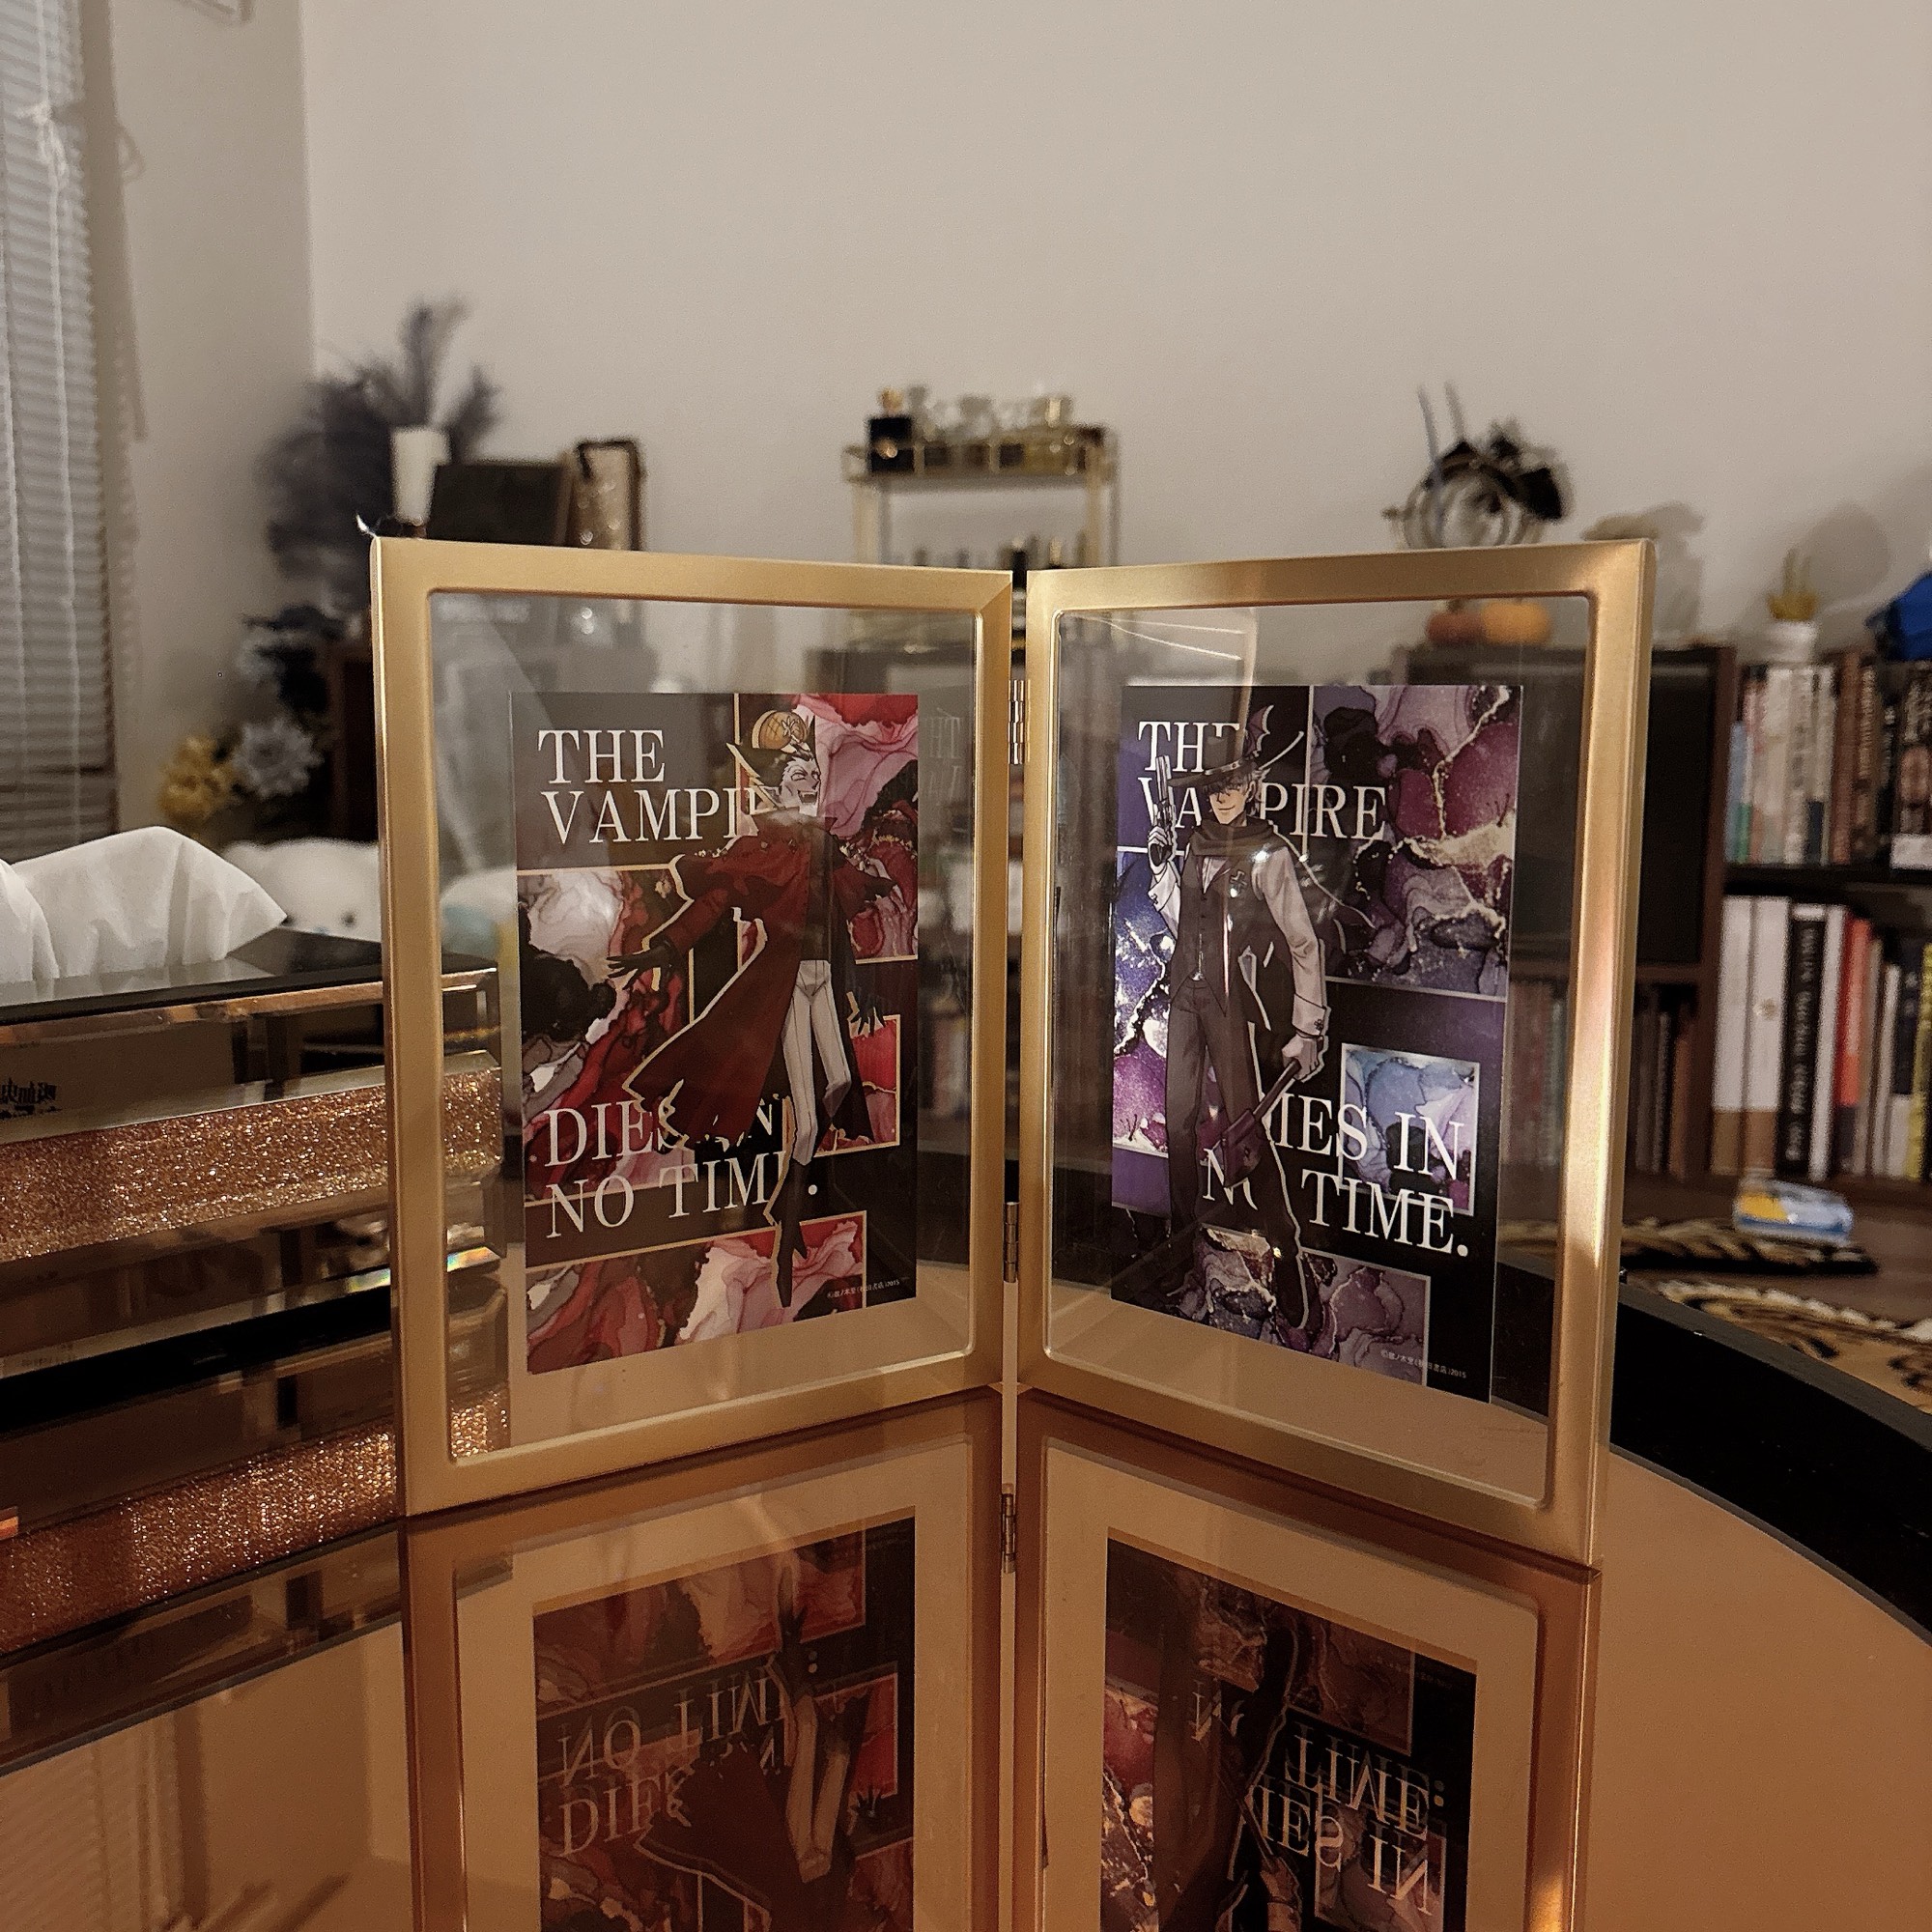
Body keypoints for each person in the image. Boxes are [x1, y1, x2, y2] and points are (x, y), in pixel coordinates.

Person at [611, 709, 898, 1305]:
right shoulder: (762, 849)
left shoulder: (824, 846)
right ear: (775, 784)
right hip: (784, 986)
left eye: (810, 765)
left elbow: (839, 922)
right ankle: (787, 1222)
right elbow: (714, 903)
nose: (809, 776)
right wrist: (665, 947)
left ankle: (792, 1189)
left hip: (824, 982)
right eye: (796, 770)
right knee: (809, 1120)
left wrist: (861, 985)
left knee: (842, 1082)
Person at [1147, 708, 1327, 1328]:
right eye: (1215, 786)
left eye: (1234, 784)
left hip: (1227, 1004)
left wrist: (1307, 1029)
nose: (1223, 797)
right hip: (1184, 997)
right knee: (1177, 1125)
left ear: (1251, 785)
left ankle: (1287, 1250)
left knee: (1244, 1130)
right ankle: (1181, 1246)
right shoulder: (1193, 842)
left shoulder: (1268, 853)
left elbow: (1303, 941)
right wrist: (1163, 872)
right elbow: (1183, 925)